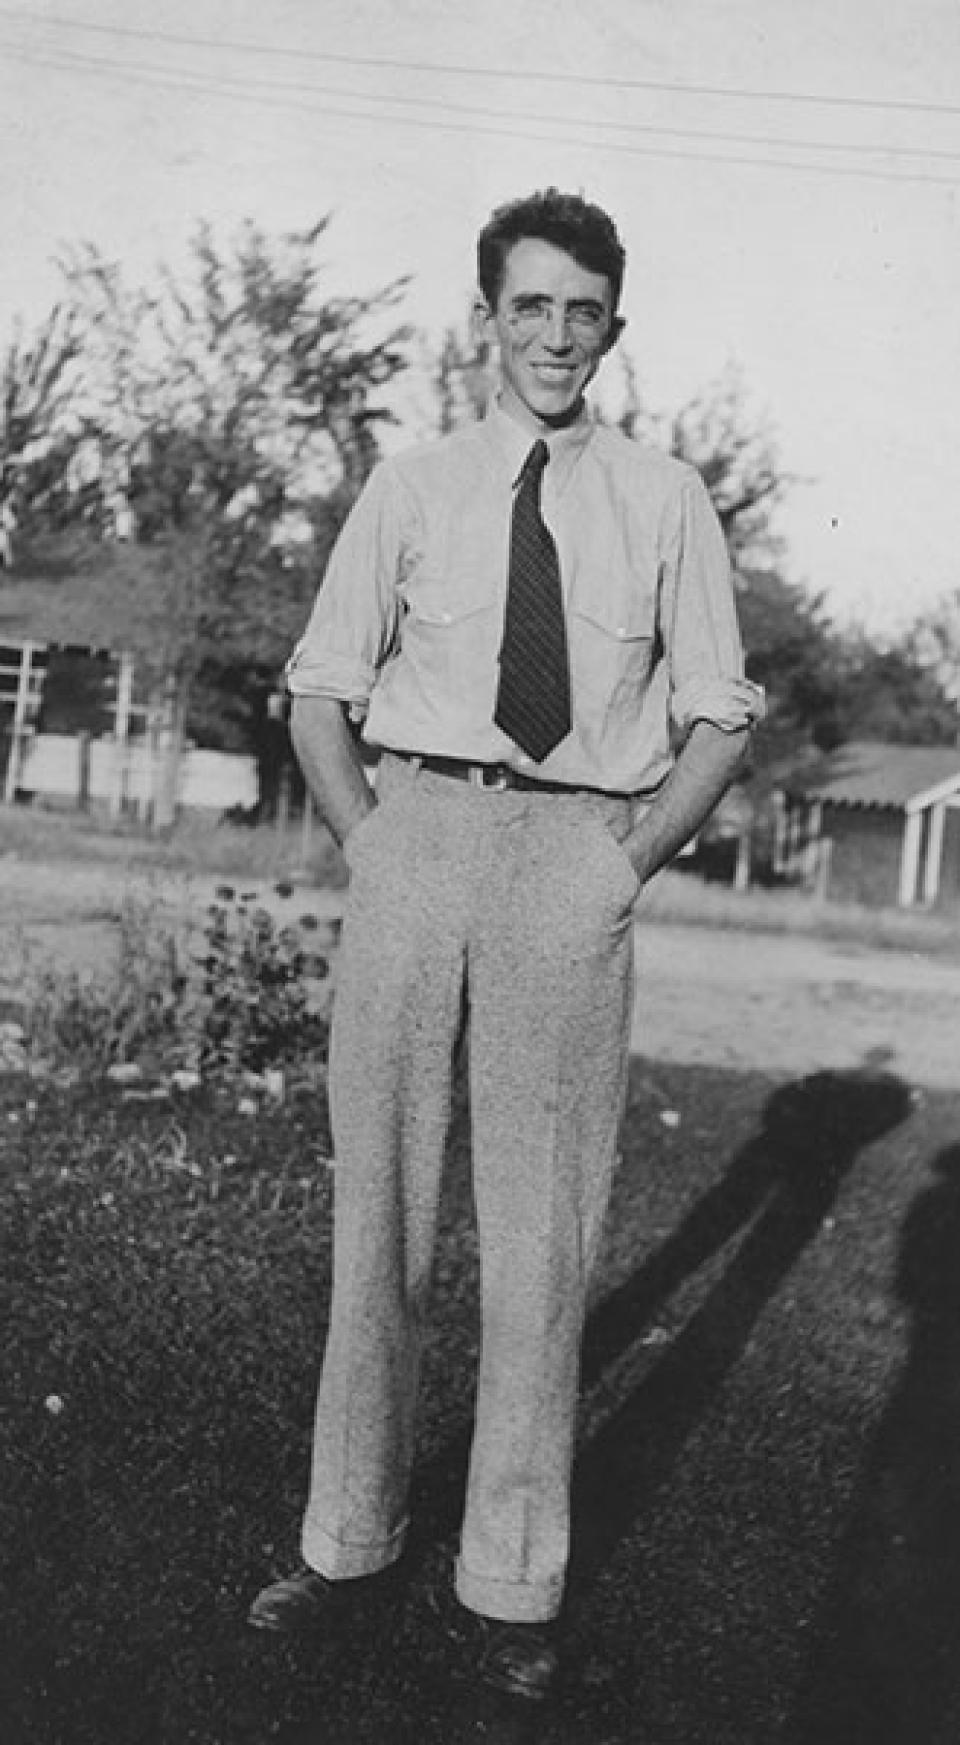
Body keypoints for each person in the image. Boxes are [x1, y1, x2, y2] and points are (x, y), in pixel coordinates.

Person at [248, 187, 764, 1703]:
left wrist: (628, 857)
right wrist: (373, 838)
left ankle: (513, 1579)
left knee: (544, 1239)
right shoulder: (410, 488)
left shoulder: (666, 500)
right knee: (383, 1223)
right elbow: (318, 692)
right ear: (487, 321)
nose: (555, 332)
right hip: (419, 835)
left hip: (573, 854)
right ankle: (345, 1539)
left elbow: (721, 715)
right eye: (528, 305)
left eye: (582, 308)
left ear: (615, 326)